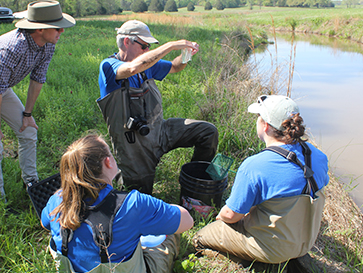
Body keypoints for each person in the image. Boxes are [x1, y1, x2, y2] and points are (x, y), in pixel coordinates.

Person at [0, 0, 75, 197]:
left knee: (28, 131)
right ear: (39, 29)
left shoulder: (48, 45)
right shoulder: (11, 47)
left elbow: (37, 80)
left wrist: (27, 114)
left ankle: (32, 183)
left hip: (1, 88)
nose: (61, 32)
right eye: (57, 28)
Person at [193, 95, 329, 264]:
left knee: (201, 237)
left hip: (272, 250)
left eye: (258, 117)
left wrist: (219, 218)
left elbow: (230, 215)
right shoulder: (319, 156)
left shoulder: (254, 166)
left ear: (265, 126)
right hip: (305, 243)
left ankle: (254, 264)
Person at [97, 20, 219, 195]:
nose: (148, 50)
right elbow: (132, 68)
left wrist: (186, 54)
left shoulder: (148, 66)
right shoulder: (109, 66)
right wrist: (170, 46)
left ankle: (196, 178)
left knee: (208, 132)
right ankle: (121, 175)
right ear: (126, 42)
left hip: (159, 130)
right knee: (140, 196)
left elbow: (176, 67)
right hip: (133, 146)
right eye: (145, 45)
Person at [41, 134, 194, 272]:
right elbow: (187, 222)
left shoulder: (56, 200)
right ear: (108, 162)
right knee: (169, 236)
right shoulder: (133, 204)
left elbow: (45, 223)